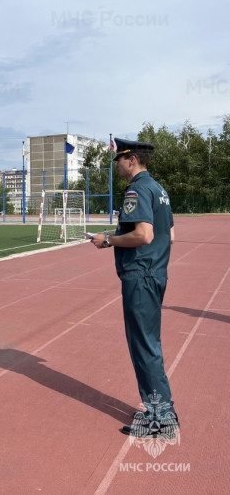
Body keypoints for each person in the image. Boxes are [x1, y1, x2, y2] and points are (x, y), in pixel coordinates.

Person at [90, 138, 178, 437]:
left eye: (119, 160)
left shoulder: (137, 189)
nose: (117, 165)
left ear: (131, 160)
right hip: (154, 273)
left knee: (144, 346)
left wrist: (109, 240)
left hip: (140, 276)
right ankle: (159, 407)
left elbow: (144, 235)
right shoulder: (159, 190)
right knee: (148, 343)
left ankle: (160, 419)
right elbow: (171, 235)